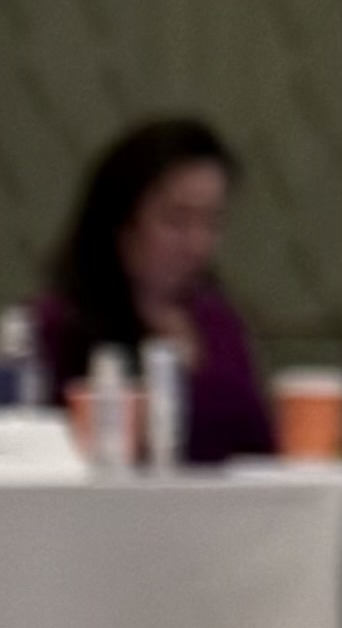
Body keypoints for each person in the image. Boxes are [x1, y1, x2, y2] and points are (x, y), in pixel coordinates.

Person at [40, 115, 274, 463]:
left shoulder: (220, 325)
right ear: (121, 223)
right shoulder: (59, 326)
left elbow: (263, 449)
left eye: (212, 222)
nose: (197, 245)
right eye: (177, 221)